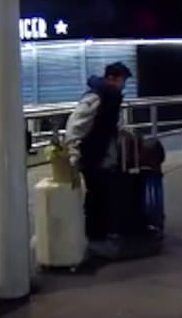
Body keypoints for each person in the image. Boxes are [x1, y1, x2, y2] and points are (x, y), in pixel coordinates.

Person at [64, 62, 132, 241]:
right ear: (112, 78)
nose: (123, 85)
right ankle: (96, 236)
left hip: (102, 154)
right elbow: (75, 124)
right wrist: (73, 151)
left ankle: (100, 234)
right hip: (94, 155)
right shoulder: (97, 97)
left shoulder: (108, 96)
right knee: (98, 195)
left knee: (103, 194)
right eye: (122, 80)